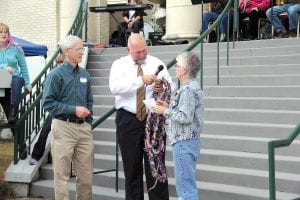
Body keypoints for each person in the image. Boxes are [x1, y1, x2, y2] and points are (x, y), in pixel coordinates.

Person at [109, 33, 173, 200]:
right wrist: (140, 80)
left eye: (144, 50)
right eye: (138, 52)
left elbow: (171, 87)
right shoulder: (119, 65)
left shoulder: (157, 63)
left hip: (153, 120)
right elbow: (114, 88)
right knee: (131, 168)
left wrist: (161, 87)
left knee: (156, 168)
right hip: (128, 119)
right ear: (128, 49)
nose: (142, 54)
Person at [43, 35, 94, 200]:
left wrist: (88, 124)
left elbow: (89, 101)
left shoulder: (85, 74)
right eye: (78, 49)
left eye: (82, 48)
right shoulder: (55, 75)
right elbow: (48, 104)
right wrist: (74, 110)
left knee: (86, 177)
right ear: (67, 51)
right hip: (63, 128)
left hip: (84, 130)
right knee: (62, 176)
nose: (82, 52)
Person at [153, 52, 204, 200]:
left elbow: (185, 117)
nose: (175, 68)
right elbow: (186, 112)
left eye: (178, 66)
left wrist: (165, 111)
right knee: (186, 185)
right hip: (188, 141)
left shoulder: (188, 90)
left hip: (184, 142)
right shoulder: (190, 88)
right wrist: (168, 106)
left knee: (185, 189)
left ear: (184, 70)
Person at [29, 54, 65, 165]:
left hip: (68, 111)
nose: (60, 65)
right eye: (58, 63)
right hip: (55, 109)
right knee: (45, 130)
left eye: (62, 63)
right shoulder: (53, 74)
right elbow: (46, 88)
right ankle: (35, 156)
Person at [0, 22, 32, 124]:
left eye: (6, 32)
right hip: (2, 80)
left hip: (15, 78)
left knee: (16, 81)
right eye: (0, 32)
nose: (3, 34)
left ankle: (14, 111)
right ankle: (11, 118)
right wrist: (4, 66)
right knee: (9, 115)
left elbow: (23, 66)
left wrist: (27, 83)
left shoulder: (16, 48)